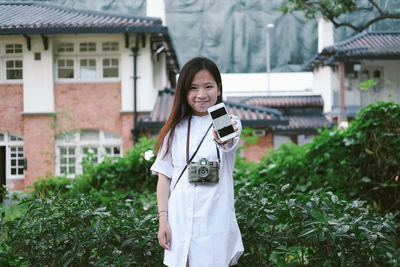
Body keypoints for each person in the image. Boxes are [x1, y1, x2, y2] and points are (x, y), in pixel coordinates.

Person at [151, 57, 244, 267]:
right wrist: (163, 221)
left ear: (218, 89)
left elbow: (228, 141)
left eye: (208, 86)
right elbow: (164, 178)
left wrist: (223, 137)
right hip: (180, 224)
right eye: (193, 88)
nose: (201, 95)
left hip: (215, 226)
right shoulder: (174, 130)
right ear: (184, 92)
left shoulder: (228, 122)